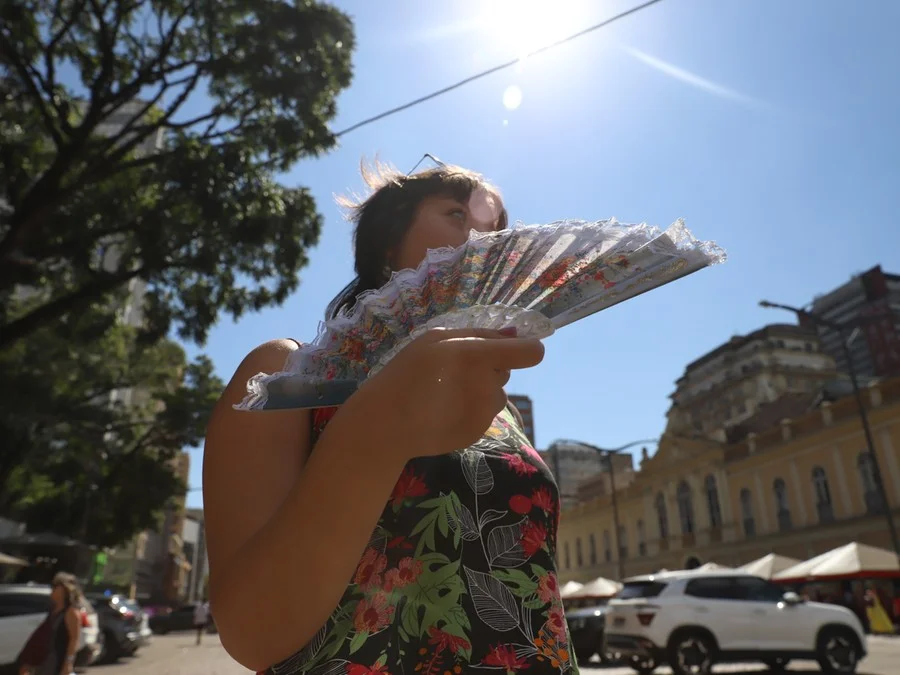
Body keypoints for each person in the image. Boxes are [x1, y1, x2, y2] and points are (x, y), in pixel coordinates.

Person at [204, 163, 575, 674]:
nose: (484, 239)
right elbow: (252, 634)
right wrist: (372, 435)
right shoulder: (285, 378)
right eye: (455, 213)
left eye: (495, 231)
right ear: (386, 245)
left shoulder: (499, 410)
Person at [17, 572, 82, 675]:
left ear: (65, 590)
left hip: (57, 660)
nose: (53, 590)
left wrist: (68, 663)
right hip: (44, 658)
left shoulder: (70, 612)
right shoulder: (54, 610)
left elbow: (74, 639)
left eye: (56, 587)